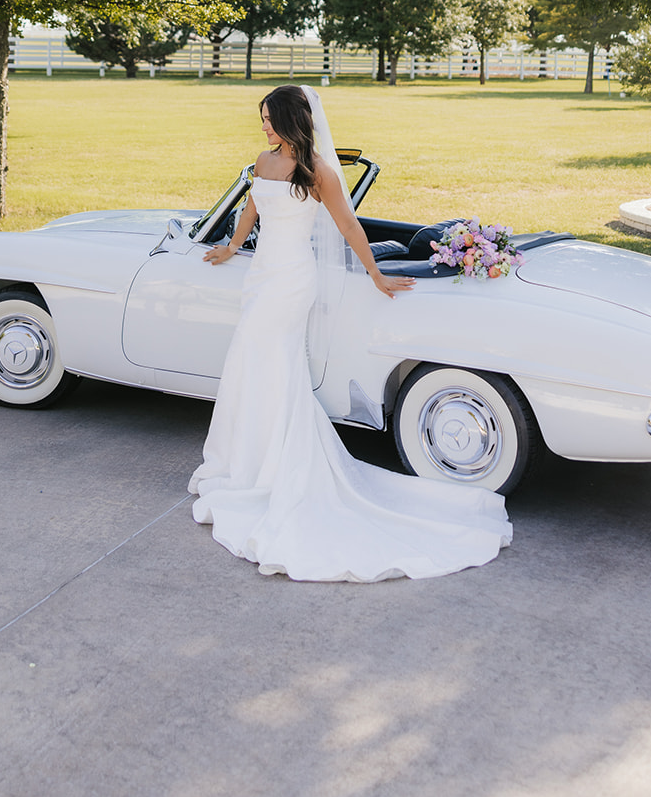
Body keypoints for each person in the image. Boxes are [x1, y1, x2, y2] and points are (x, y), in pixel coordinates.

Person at [188, 84, 512, 581]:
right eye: (262, 121)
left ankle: (273, 468)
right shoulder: (263, 159)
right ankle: (244, 462)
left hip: (293, 279)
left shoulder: (317, 170)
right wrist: (232, 246)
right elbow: (253, 208)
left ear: (295, 119)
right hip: (261, 277)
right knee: (250, 360)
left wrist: (376, 274)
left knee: (272, 359)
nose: (265, 127)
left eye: (272, 119)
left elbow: (348, 226)